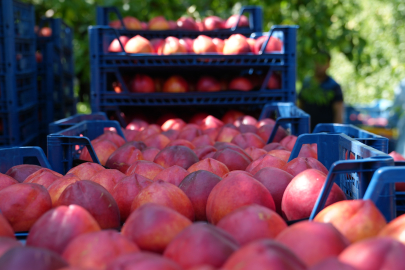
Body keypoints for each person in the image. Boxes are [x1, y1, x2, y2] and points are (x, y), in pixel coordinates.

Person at [298, 51, 344, 131]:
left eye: (322, 62)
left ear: (328, 64)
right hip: (307, 132)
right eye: (317, 61)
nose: (319, 65)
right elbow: (300, 107)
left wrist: (335, 134)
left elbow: (338, 114)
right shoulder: (306, 84)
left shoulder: (334, 86)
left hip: (326, 134)